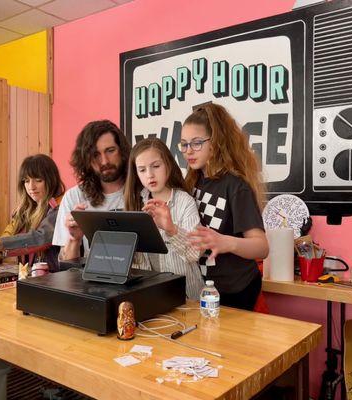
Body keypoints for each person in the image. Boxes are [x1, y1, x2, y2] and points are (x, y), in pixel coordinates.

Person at [180, 103, 269, 311]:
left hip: (238, 290)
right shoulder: (191, 183)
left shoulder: (236, 186)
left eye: (196, 143)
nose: (188, 151)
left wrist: (225, 242)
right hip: (203, 289)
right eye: (184, 144)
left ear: (217, 142)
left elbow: (262, 247)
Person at [124, 138, 204, 299]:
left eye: (156, 166)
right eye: (142, 170)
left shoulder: (184, 201)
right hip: (149, 296)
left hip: (186, 296)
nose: (150, 175)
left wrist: (171, 229)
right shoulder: (134, 204)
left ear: (168, 164)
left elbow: (196, 253)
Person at [53, 120, 131, 260]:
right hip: (94, 280)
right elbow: (66, 269)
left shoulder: (143, 190)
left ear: (122, 151)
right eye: (96, 155)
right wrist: (74, 240)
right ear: (86, 159)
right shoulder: (74, 196)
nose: (105, 161)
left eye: (110, 150)